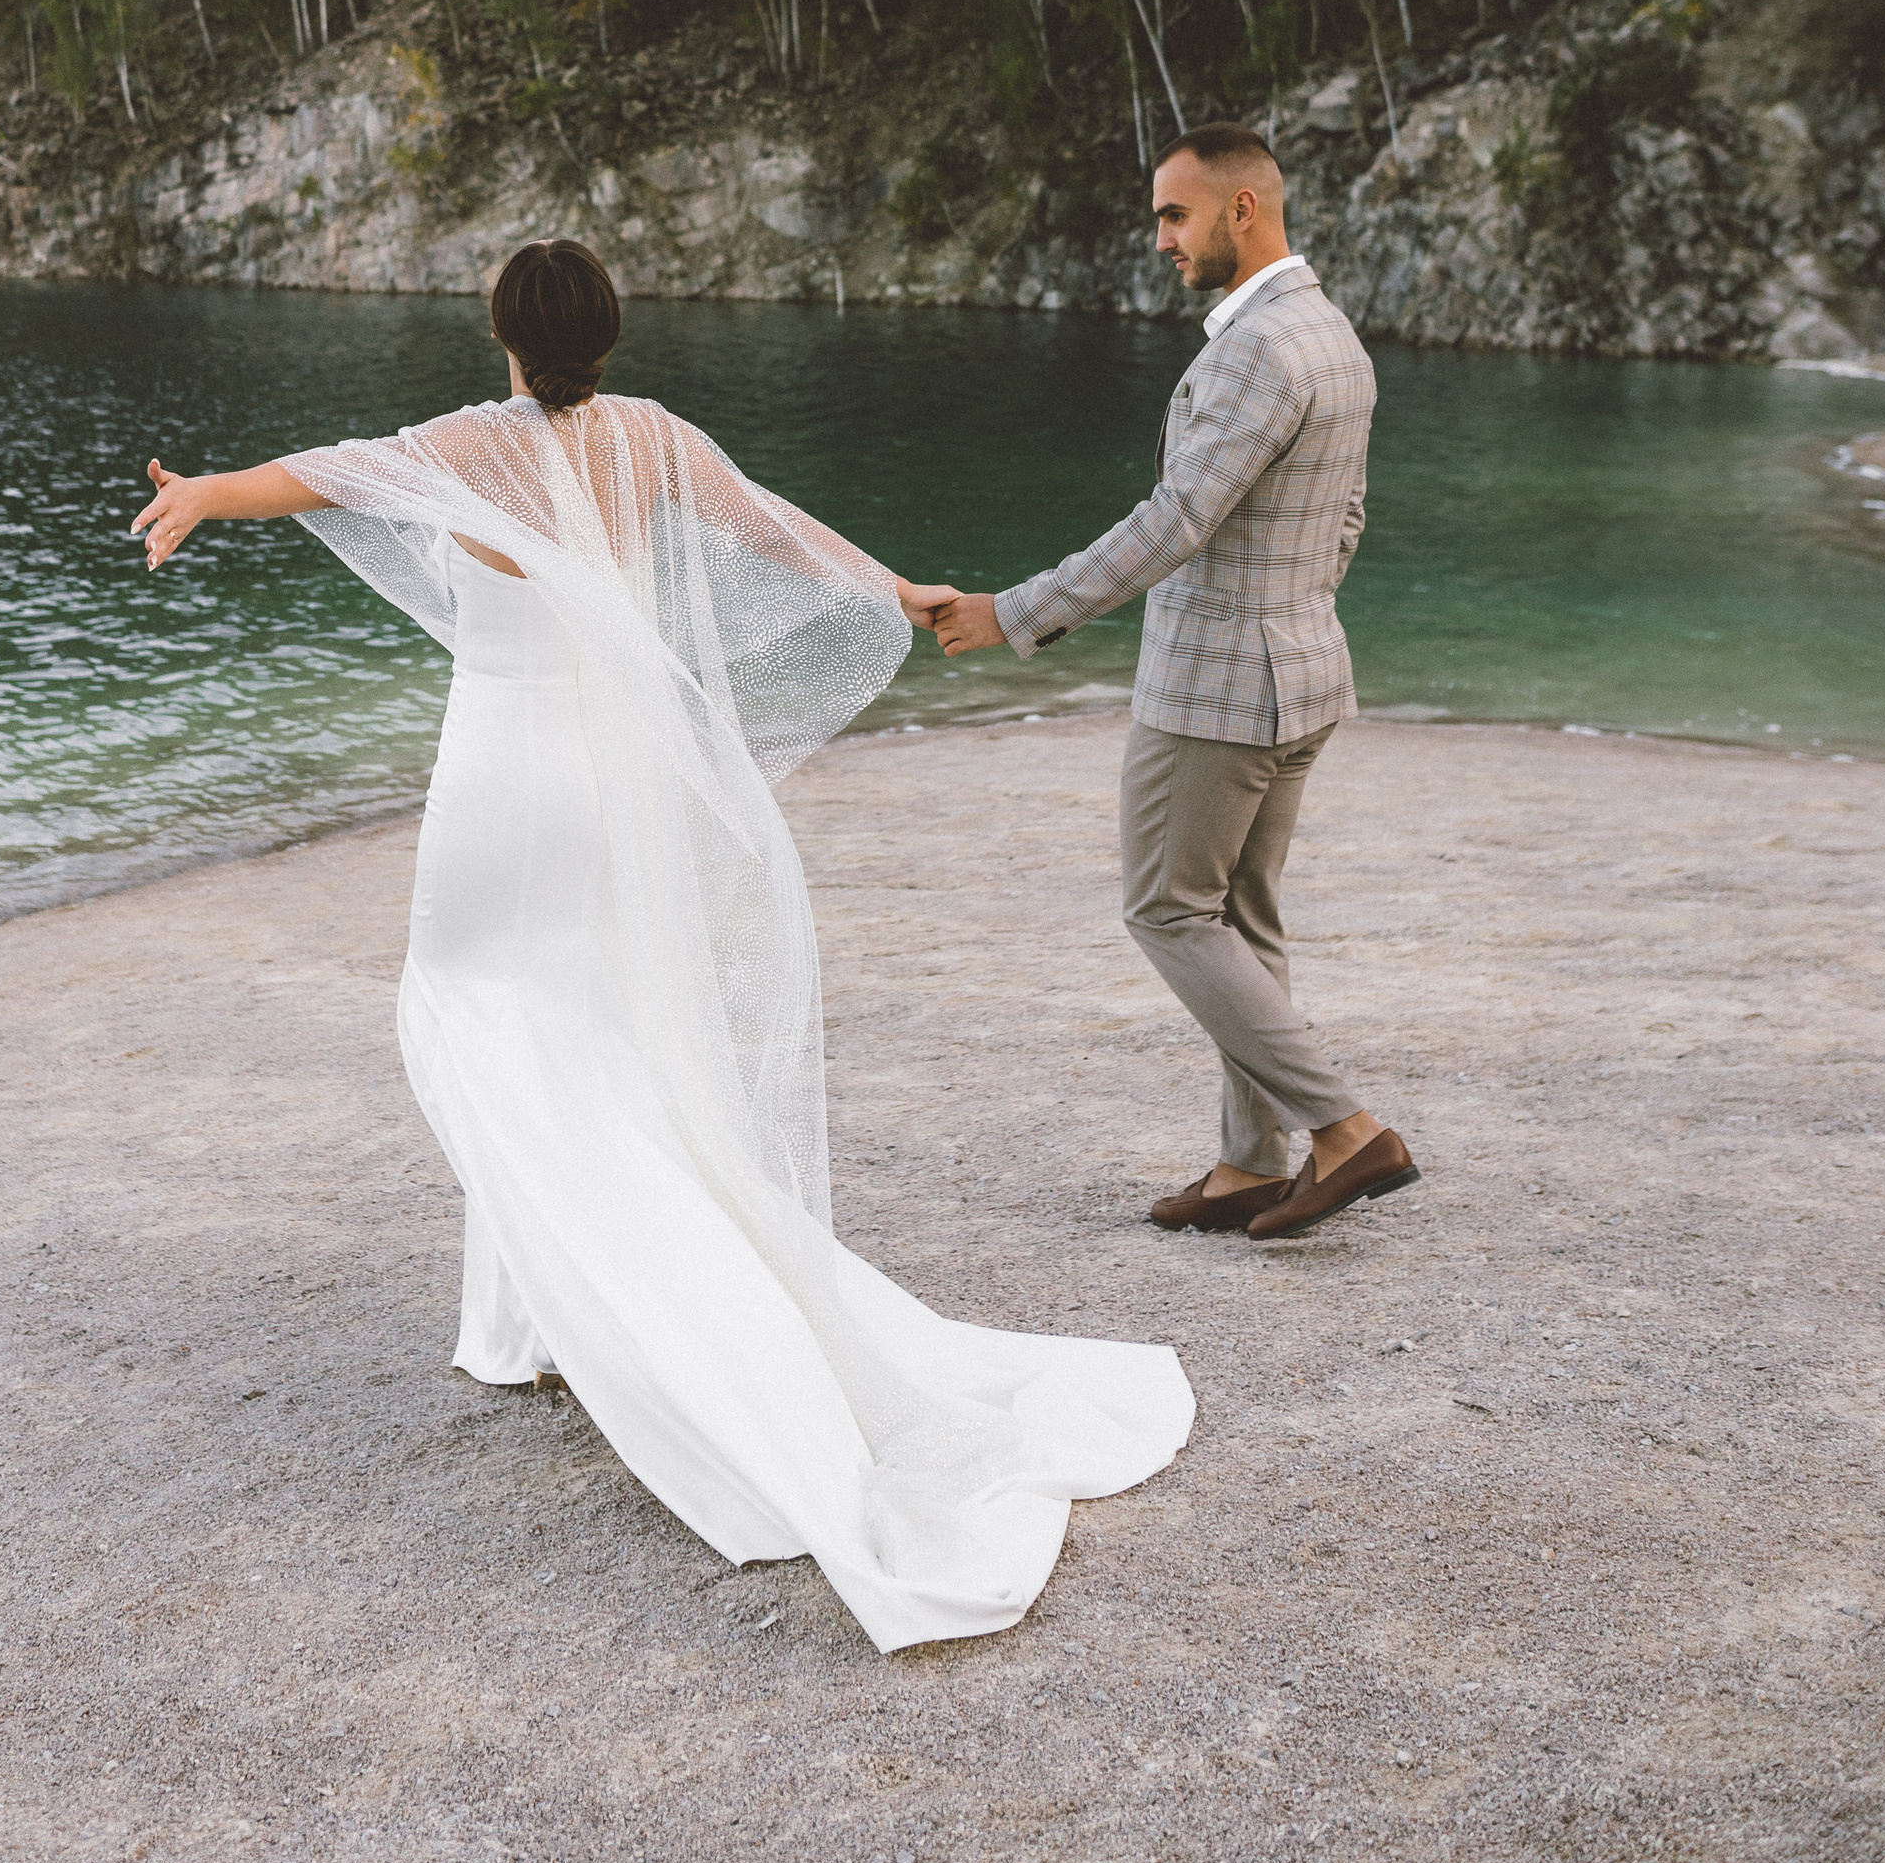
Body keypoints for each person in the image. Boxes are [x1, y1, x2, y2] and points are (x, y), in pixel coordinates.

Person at [131, 236, 1192, 1653]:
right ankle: (521, 1327)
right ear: (611, 335)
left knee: (469, 1015)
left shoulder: (465, 443)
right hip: (606, 790)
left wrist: (199, 496)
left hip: (505, 784)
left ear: (504, 333)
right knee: (577, 1030)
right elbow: (779, 531)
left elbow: (312, 476)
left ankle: (592, 1316)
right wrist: (902, 591)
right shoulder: (650, 441)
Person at [918, 128, 1417, 1246]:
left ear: (1243, 209)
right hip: (1303, 674)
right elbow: (1344, 519)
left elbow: (1177, 522)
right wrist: (1294, 613)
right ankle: (1250, 1164)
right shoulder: (1331, 337)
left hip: (1219, 692)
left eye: (1174, 216)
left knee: (1163, 909)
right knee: (1241, 919)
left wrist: (1015, 610)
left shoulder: (1257, 351)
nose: (1159, 239)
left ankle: (1345, 1130)